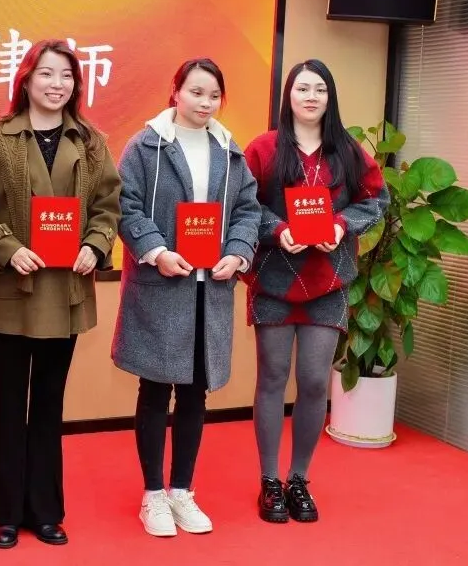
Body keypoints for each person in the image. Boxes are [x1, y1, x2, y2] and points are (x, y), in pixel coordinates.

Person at [0, 39, 122, 549]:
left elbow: (109, 206)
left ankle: (46, 510)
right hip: (10, 286)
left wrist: (96, 245)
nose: (57, 84)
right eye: (47, 74)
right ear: (27, 80)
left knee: (50, 402)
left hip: (65, 287)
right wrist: (7, 249)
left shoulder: (93, 143)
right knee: (10, 399)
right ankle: (6, 511)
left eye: (67, 76)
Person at [111, 58, 261, 537]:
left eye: (214, 95)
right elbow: (125, 205)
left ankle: (182, 491)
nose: (205, 103)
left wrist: (238, 253)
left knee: (196, 393)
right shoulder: (146, 145)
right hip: (163, 285)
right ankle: (153, 495)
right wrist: (156, 251)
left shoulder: (229, 151)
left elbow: (248, 210)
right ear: (175, 91)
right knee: (156, 390)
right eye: (196, 92)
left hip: (209, 288)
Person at [242, 59, 388, 524]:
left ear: (330, 97)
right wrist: (277, 229)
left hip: (328, 280)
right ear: (288, 95)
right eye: (302, 88)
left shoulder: (347, 150)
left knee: (311, 381)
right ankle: (270, 481)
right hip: (274, 280)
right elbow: (243, 205)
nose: (310, 96)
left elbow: (377, 200)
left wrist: (342, 225)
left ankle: (299, 479)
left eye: (319, 89)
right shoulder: (264, 148)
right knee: (271, 378)